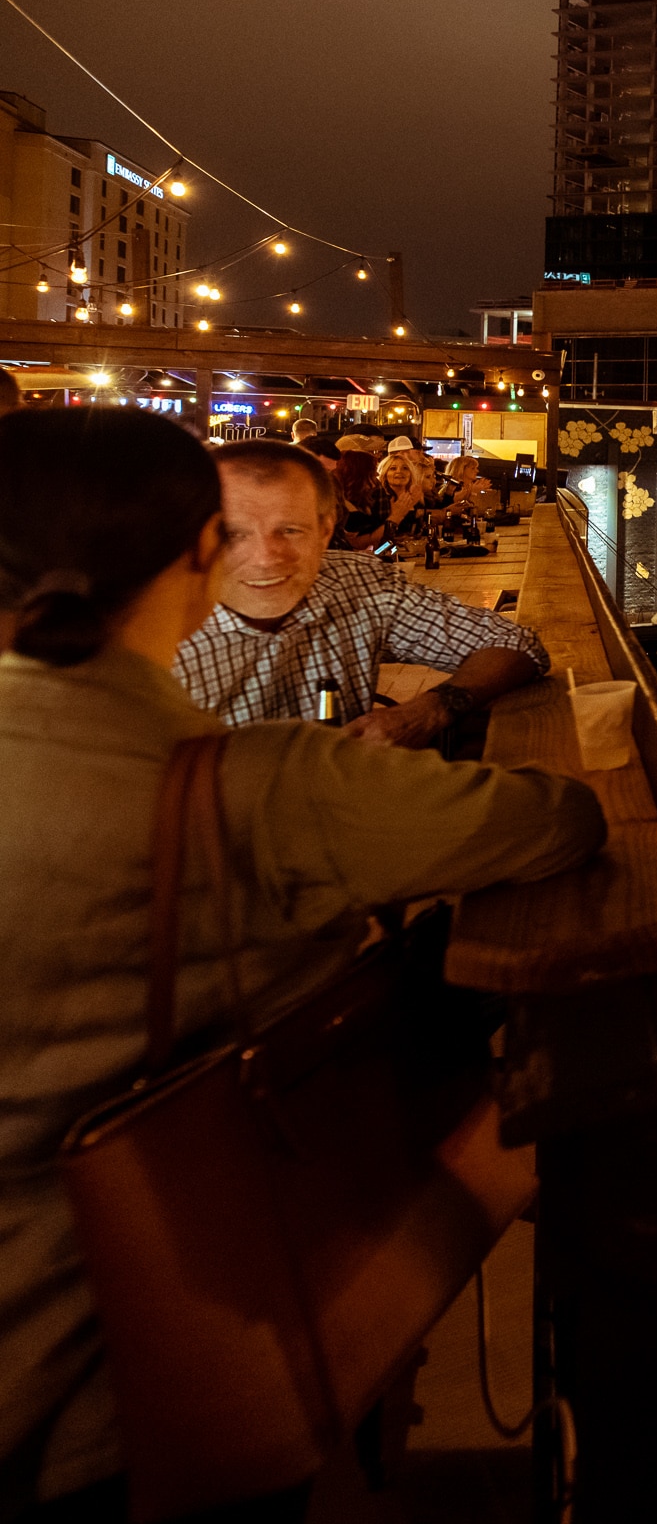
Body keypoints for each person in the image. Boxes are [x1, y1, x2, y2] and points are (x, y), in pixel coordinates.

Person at [0, 408, 608, 1514]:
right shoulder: (262, 784)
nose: (268, 557)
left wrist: (432, 709)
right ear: (198, 554)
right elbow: (558, 822)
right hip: (141, 1378)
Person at [171, 439, 549, 743]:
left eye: (290, 530)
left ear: (324, 530)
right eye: (235, 534)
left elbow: (518, 646)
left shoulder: (358, 584)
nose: (267, 557)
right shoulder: (154, 622)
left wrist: (429, 710)